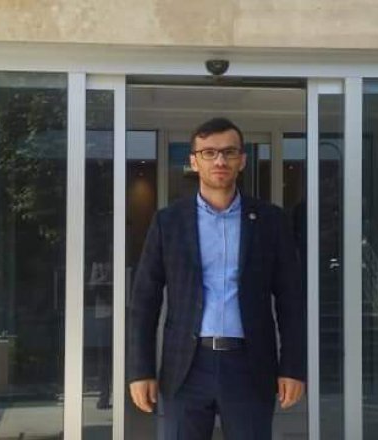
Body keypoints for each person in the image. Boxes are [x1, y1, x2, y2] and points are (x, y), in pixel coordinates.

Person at [127, 117, 307, 439]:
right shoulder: (169, 222)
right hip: (186, 368)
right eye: (209, 153)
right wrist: (140, 370)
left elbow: (290, 299)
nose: (220, 160)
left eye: (229, 152)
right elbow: (144, 301)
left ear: (242, 160)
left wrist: (292, 367)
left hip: (249, 366)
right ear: (194, 161)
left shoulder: (271, 221)